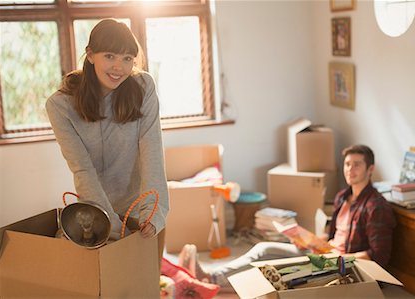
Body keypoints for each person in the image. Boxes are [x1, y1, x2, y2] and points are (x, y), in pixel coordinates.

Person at [178, 144, 396, 289]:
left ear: (370, 169)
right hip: (325, 253)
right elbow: (333, 236)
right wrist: (310, 240)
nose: (350, 169)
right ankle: (211, 276)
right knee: (265, 249)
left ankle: (210, 278)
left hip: (342, 265)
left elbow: (378, 256)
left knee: (271, 267)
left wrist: (338, 258)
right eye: (348, 164)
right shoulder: (342, 197)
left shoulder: (376, 207)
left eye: (357, 164)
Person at [46, 19, 169, 242]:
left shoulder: (143, 88)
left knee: (142, 273)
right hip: (94, 209)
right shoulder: (60, 105)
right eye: (110, 56)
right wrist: (111, 225)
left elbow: (152, 149)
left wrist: (153, 212)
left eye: (127, 59)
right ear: (91, 55)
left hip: (137, 207)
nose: (119, 67)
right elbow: (82, 169)